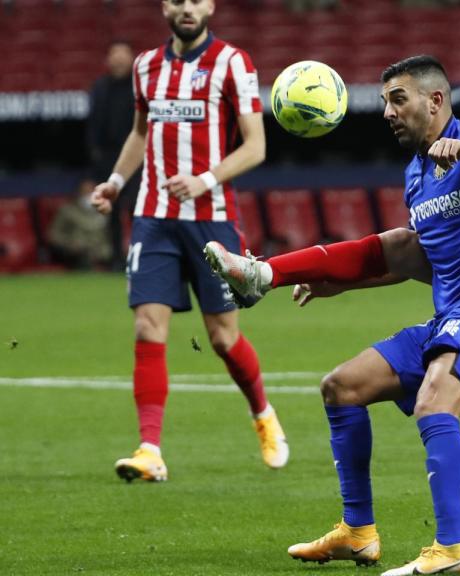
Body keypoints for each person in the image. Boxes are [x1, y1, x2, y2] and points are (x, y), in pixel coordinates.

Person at [205, 55, 460, 574]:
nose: (386, 111)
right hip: (450, 314)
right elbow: (415, 259)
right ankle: (358, 533)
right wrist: (340, 284)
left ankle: (452, 549)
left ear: (435, 100)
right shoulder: (416, 173)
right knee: (341, 387)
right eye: (384, 100)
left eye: (397, 99)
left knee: (434, 406)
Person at [90, 0, 287, 483]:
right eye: (177, 0)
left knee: (223, 337)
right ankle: (150, 450)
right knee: (146, 328)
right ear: (166, 7)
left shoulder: (233, 63)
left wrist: (206, 179)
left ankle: (262, 412)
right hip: (154, 217)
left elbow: (256, 146)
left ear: (209, 6)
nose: (186, 8)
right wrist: (116, 181)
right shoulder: (145, 66)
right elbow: (141, 134)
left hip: (212, 218)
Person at [87, 39, 137, 266]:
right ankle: (116, 258)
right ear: (107, 59)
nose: (118, 58)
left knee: (139, 210)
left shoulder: (139, 87)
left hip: (138, 160)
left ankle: (142, 255)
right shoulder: (100, 87)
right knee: (111, 212)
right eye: (114, 54)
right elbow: (93, 126)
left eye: (123, 53)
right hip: (108, 159)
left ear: (132, 58)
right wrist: (95, 154)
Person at [48, 177, 113, 270]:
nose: (88, 195)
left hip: (102, 253)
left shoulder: (104, 211)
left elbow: (111, 235)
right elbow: (54, 235)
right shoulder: (68, 211)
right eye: (85, 192)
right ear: (78, 193)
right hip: (79, 253)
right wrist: (70, 245)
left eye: (91, 192)